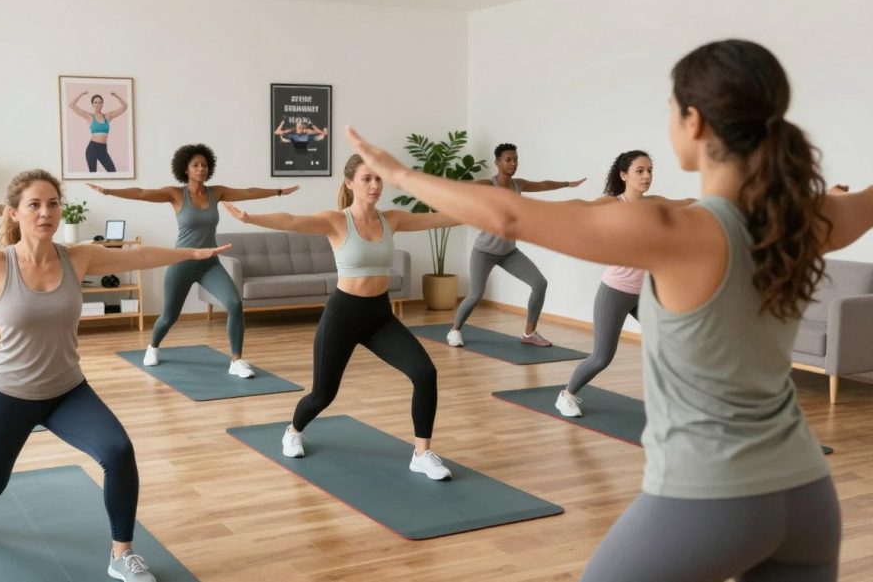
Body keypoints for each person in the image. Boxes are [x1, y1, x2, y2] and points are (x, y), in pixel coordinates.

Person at [345, 38, 873, 581]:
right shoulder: (805, 219)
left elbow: (510, 217)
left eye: (671, 109)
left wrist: (401, 174)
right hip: (808, 496)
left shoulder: (676, 230)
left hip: (713, 497)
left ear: (693, 122)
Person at [0, 168, 231, 582]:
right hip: (7, 397)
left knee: (118, 451)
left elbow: (136, 257)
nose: (45, 212)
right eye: (34, 204)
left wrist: (191, 255)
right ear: (14, 213)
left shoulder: (78, 256)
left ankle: (122, 553)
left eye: (52, 203)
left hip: (67, 390)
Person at [222, 153, 457, 480]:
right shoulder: (336, 221)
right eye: (366, 179)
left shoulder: (393, 219)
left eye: (378, 179)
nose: (375, 185)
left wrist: (487, 213)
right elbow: (291, 221)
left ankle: (422, 453)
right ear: (350, 183)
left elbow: (440, 220)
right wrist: (249, 218)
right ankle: (293, 430)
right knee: (323, 394)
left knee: (425, 373)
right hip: (343, 315)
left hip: (380, 316)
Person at [88, 143, 298, 377]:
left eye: (205, 165)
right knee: (169, 317)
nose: (201, 169)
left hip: (209, 264)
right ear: (185, 169)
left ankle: (236, 360)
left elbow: (247, 192)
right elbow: (141, 193)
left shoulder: (215, 193)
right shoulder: (176, 194)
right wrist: (108, 192)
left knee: (235, 303)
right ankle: (153, 347)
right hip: (182, 262)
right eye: (196, 165)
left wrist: (278, 192)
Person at [555, 150, 693, 417]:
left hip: (646, 294)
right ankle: (567, 394)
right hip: (616, 291)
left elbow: (689, 202)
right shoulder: (612, 204)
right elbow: (578, 206)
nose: (647, 176)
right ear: (624, 175)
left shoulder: (655, 204)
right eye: (640, 171)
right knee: (602, 357)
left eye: (650, 170)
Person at [447, 143, 586, 348]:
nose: (513, 163)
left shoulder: (518, 185)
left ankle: (529, 333)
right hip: (484, 251)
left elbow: (543, 184)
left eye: (515, 160)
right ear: (497, 162)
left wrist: (567, 184)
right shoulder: (488, 184)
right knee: (476, 294)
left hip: (509, 252)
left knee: (540, 284)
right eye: (508, 160)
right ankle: (455, 330)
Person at [69, 91, 128, 172]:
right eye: (95, 102)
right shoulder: (89, 116)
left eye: (100, 102)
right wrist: (81, 94)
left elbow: (124, 107)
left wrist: (117, 96)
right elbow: (71, 105)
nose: (98, 104)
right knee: (93, 173)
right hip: (92, 148)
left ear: (102, 104)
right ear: (92, 104)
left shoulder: (108, 116)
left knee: (112, 171)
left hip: (103, 149)